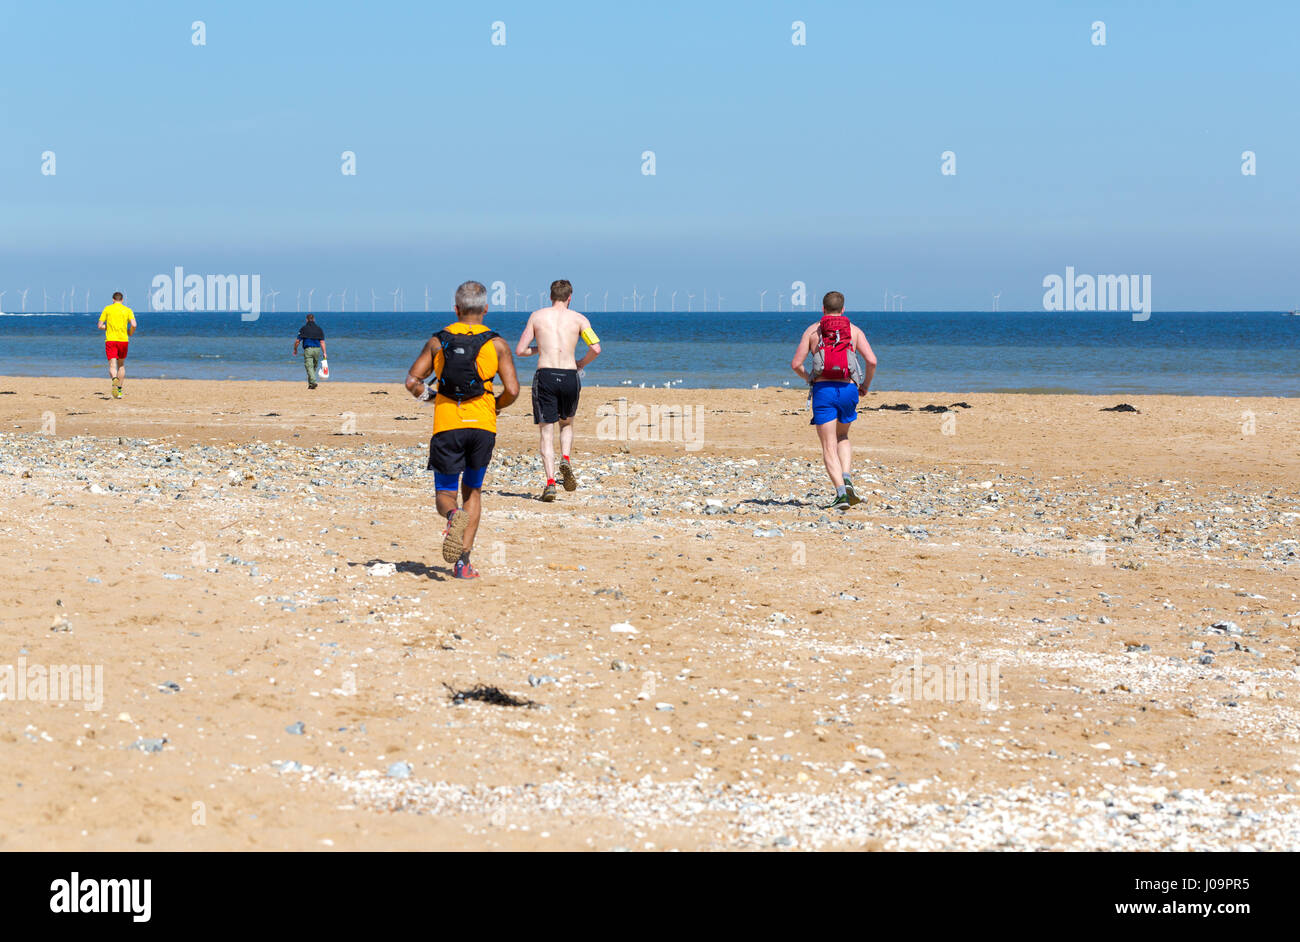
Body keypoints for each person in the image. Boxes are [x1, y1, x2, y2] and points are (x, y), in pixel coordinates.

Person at [405, 281, 519, 578]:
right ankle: (463, 563)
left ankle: (452, 515)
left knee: (446, 493)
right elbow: (513, 390)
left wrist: (433, 398)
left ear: (455, 309)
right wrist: (495, 405)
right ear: (485, 309)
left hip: (447, 424)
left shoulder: (437, 341)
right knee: (473, 491)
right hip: (482, 426)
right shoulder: (498, 344)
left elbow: (412, 382)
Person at [515, 279, 601, 501]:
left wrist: (539, 348)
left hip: (546, 375)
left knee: (546, 431)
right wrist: (581, 362)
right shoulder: (580, 319)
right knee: (567, 423)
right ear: (570, 297)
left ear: (550, 296)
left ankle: (551, 482)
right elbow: (596, 348)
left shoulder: (537, 316)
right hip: (570, 375)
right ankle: (565, 457)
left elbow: (521, 350)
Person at [790, 291, 877, 510]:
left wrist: (809, 377)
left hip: (824, 389)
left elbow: (796, 364)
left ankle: (841, 494)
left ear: (823, 309)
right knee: (843, 435)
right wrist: (865, 385)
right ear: (843, 309)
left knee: (828, 445)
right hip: (849, 388)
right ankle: (847, 480)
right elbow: (872, 361)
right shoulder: (854, 331)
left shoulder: (812, 331)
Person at [97, 292, 136, 399]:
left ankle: (114, 379)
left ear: (113, 299)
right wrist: (130, 332)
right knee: (121, 365)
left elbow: (100, 325)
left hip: (110, 340)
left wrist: (108, 327)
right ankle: (119, 391)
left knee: (112, 365)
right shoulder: (128, 310)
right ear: (122, 300)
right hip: (123, 340)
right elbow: (134, 324)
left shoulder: (107, 309)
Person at [293, 314, 327, 389]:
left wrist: (295, 349)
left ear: (306, 320)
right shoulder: (319, 329)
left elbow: (297, 341)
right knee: (313, 367)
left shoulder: (303, 329)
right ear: (314, 319)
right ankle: (311, 384)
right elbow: (322, 342)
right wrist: (324, 352)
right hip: (317, 350)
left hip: (308, 349)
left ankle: (313, 382)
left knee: (309, 367)